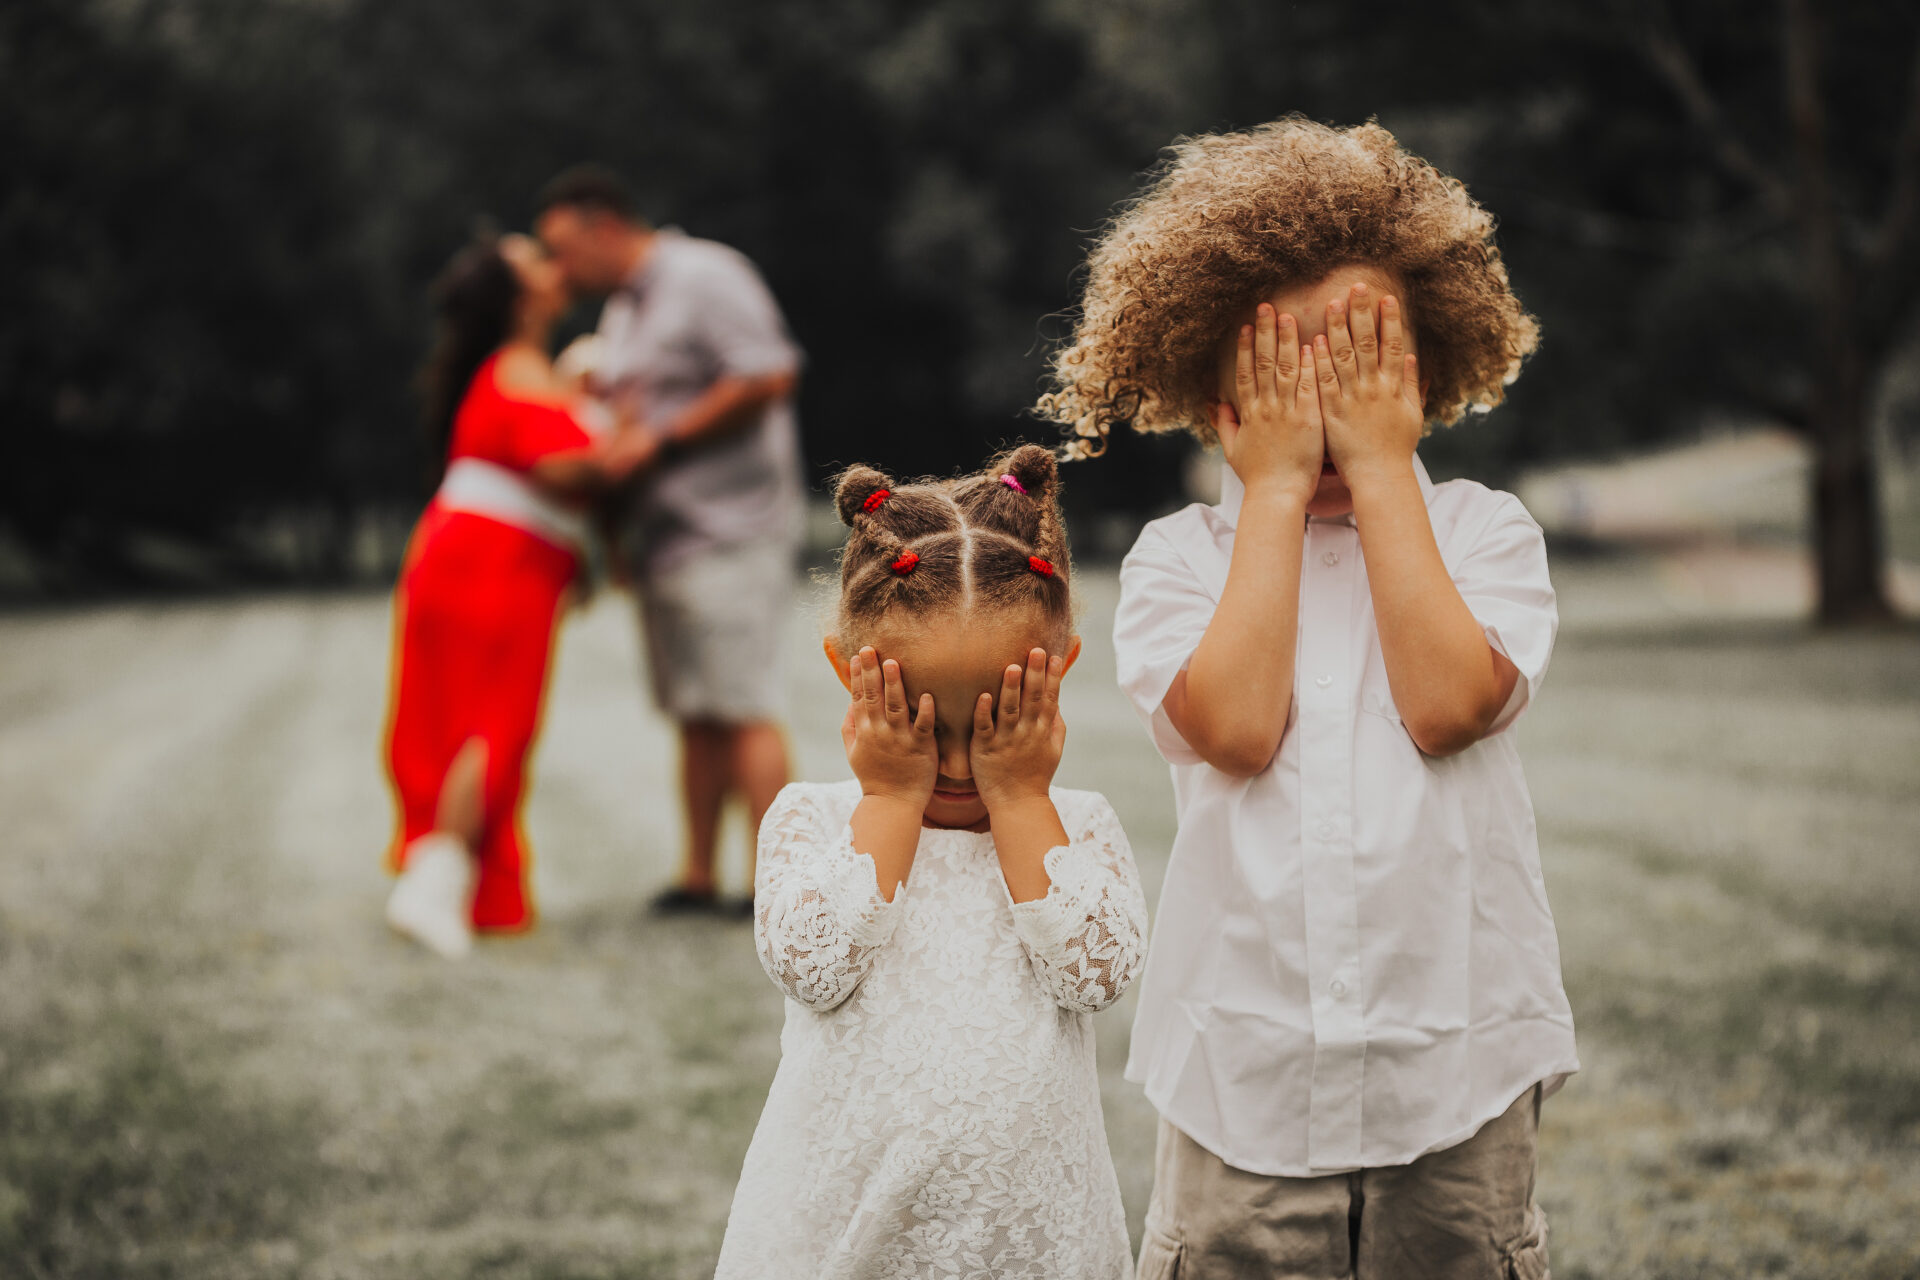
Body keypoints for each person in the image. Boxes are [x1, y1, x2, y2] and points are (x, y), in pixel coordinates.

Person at [1039, 118, 1577, 1278]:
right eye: (1286, 366)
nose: (1325, 400)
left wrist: (1382, 468)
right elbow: (1233, 731)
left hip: (1458, 1066)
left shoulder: (1485, 534)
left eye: (1362, 359)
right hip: (1247, 1073)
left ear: (1425, 370)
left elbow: (1446, 707)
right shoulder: (1177, 560)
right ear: (1213, 381)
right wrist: (1276, 487)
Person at [712, 446, 1148, 1279]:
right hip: (842, 1229)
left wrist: (1021, 801)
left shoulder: (1077, 826)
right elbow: (813, 966)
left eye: (995, 720)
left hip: (1027, 1235)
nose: (954, 762)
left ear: (1057, 675)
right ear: (849, 672)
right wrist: (888, 802)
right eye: (917, 719)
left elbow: (1094, 974)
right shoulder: (814, 818)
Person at [534, 166, 803, 916]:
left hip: (730, 528)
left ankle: (772, 881)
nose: (559, 270)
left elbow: (768, 374)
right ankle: (696, 875)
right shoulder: (622, 314)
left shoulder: (705, 275)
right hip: (665, 542)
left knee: (744, 700)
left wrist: (660, 443)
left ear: (605, 225)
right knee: (694, 708)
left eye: (562, 249)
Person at [382, 233, 655, 959]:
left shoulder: (530, 370)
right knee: (491, 718)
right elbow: (564, 468)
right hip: (492, 563)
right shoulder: (519, 369)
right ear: (519, 294)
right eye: (534, 257)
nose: (551, 262)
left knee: (468, 714)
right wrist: (632, 445)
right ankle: (437, 879)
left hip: (492, 558)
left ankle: (444, 873)